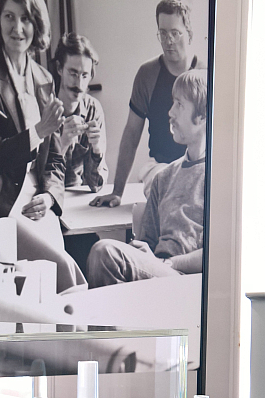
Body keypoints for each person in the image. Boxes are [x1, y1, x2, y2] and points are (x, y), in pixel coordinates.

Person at [0, 0, 85, 292]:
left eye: (26, 18)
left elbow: (56, 159)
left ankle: (66, 339)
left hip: (38, 204)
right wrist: (38, 131)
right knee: (66, 272)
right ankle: (77, 340)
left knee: (62, 276)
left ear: (37, 24)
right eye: (9, 17)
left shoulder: (45, 78)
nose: (18, 28)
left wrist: (50, 196)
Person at [86, 68, 207, 286]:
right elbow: (147, 244)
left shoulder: (219, 179)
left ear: (201, 116)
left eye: (179, 104)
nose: (170, 112)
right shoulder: (164, 178)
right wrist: (142, 249)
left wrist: (170, 264)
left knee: (104, 253)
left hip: (188, 283)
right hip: (158, 275)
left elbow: (217, 254)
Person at [90, 0, 205, 209]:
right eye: (163, 33)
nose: (168, 40)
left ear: (189, 34)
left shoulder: (206, 75)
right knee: (165, 186)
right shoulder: (147, 74)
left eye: (175, 33)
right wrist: (117, 192)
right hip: (160, 167)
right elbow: (132, 133)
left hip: (199, 166)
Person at [49, 32, 107, 192]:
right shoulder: (44, 107)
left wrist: (97, 149)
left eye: (84, 75)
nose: (79, 83)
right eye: (73, 73)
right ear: (60, 69)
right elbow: (36, 177)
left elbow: (95, 185)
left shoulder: (93, 110)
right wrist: (62, 144)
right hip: (45, 197)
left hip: (76, 197)